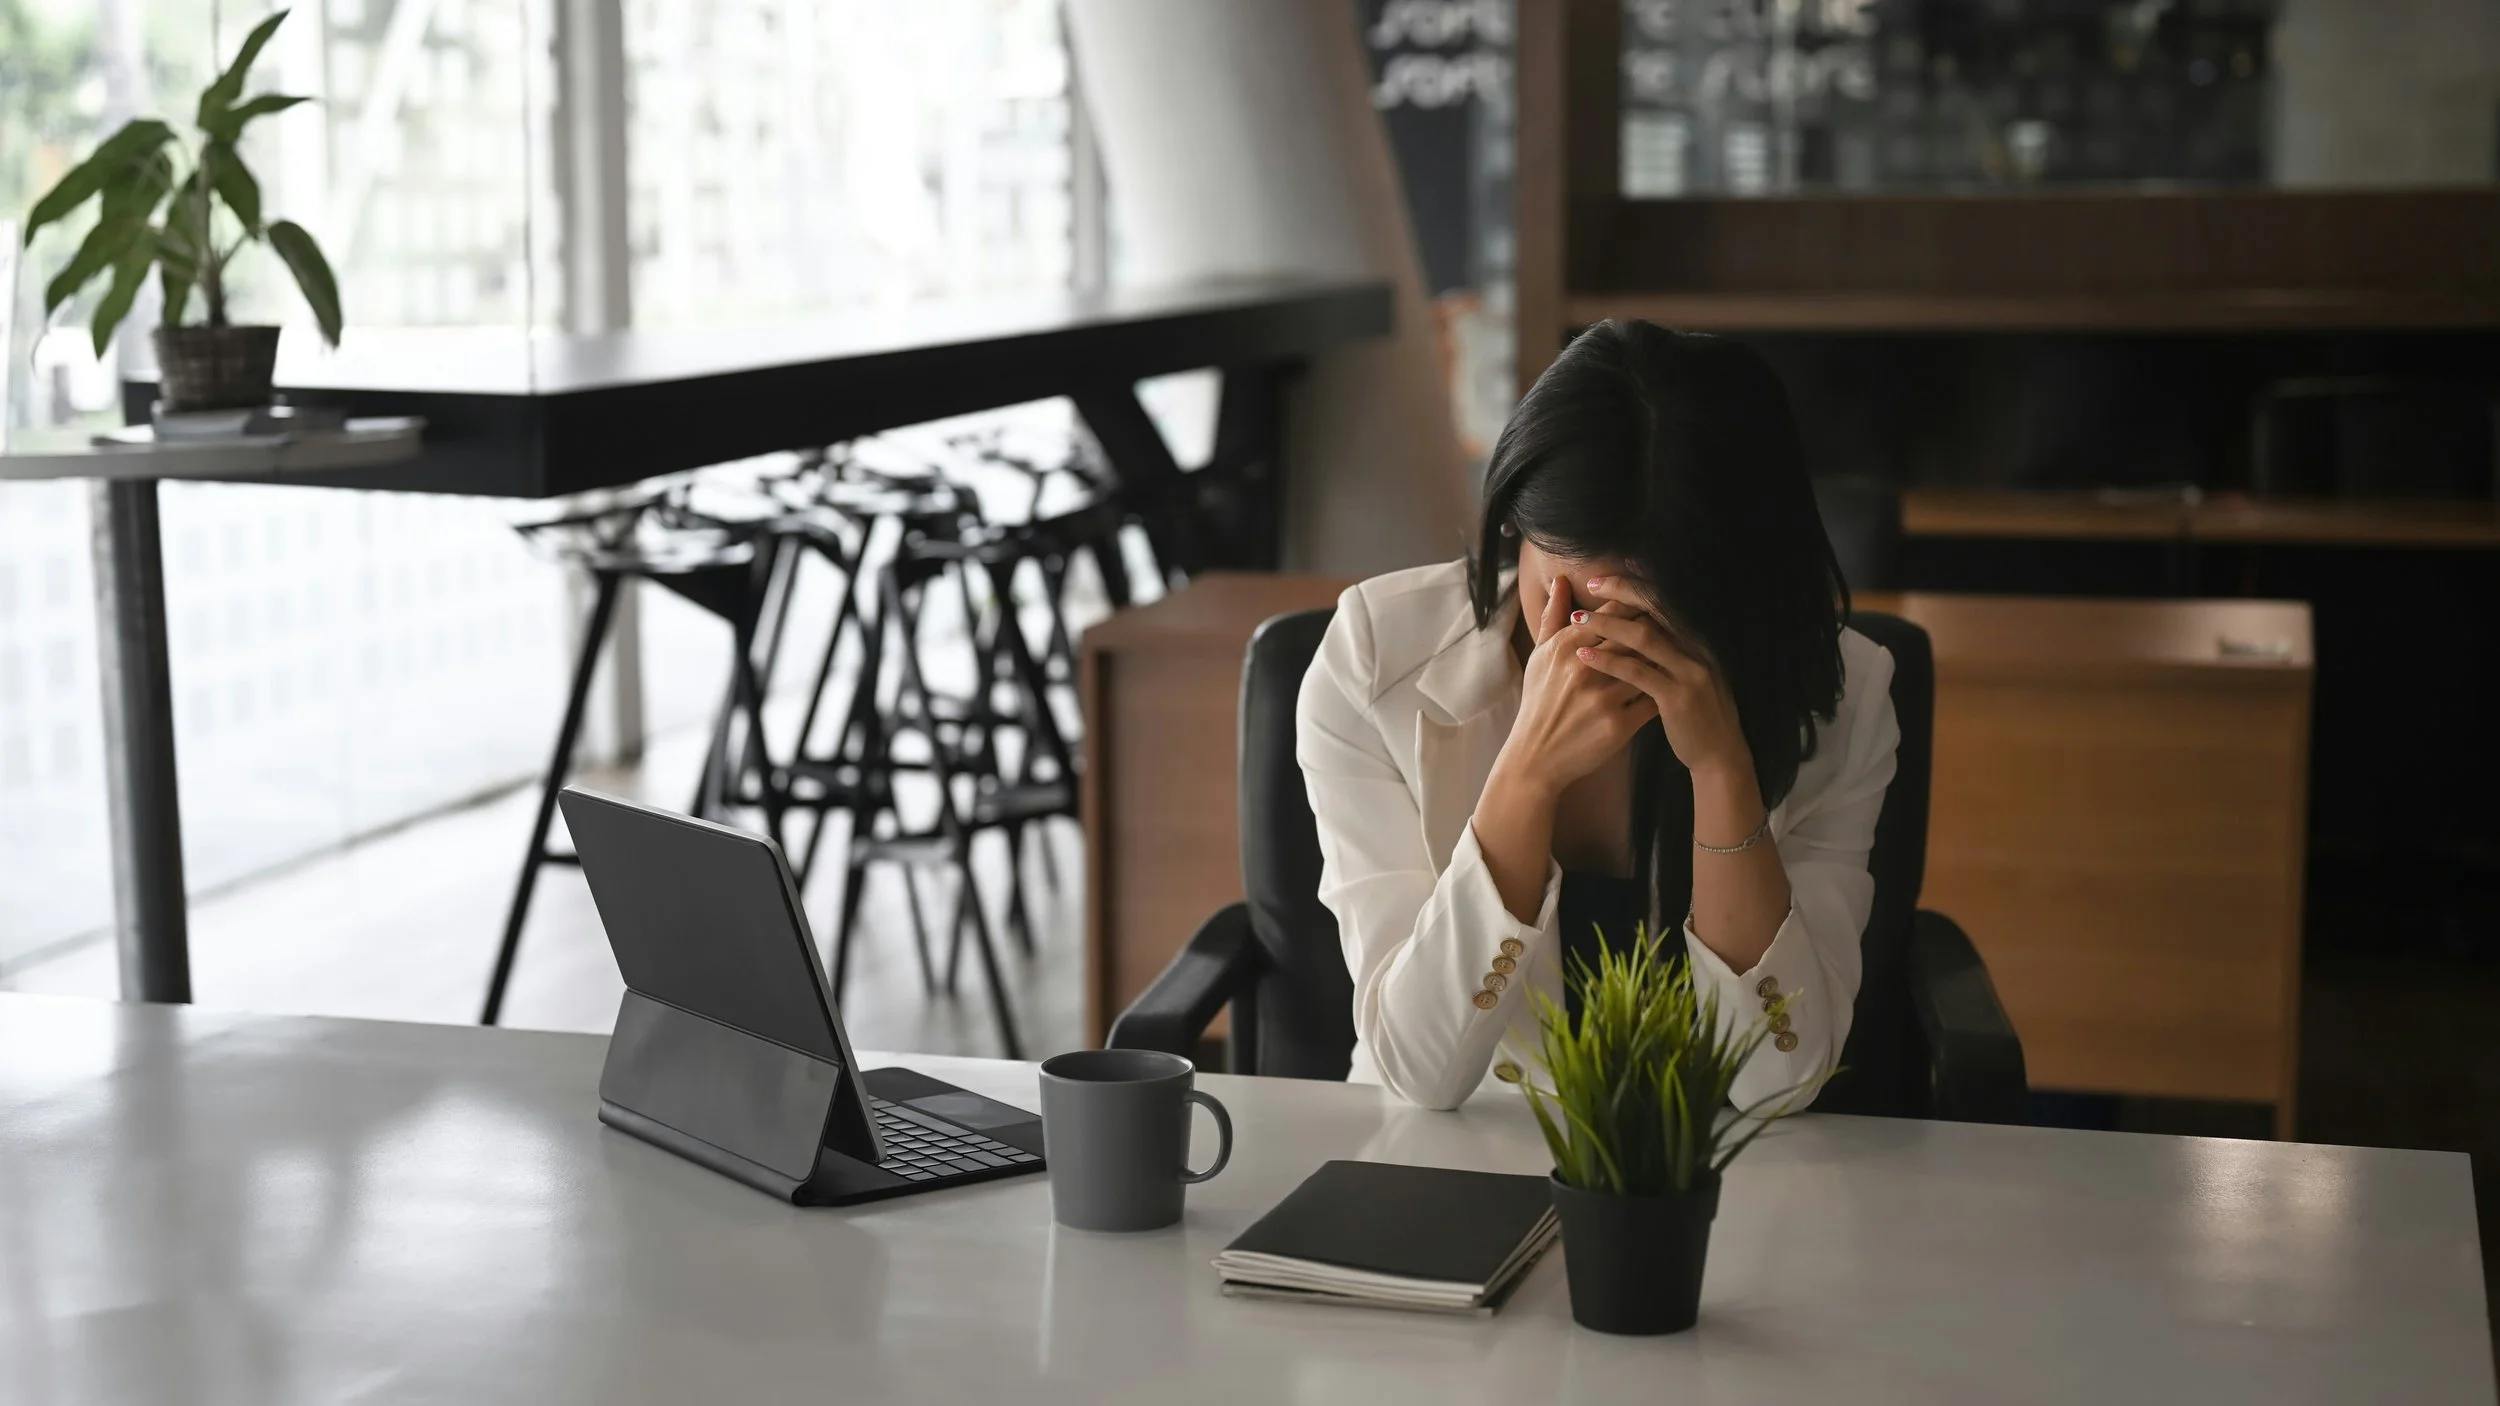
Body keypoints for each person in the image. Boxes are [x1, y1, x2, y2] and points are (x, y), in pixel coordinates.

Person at [1298, 321, 1900, 1111]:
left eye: (1665, 607)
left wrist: (1724, 771)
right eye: (1575, 592)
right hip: (1454, 1153)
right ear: (1517, 523)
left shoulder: (1842, 693)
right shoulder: (1378, 658)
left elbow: (1774, 1089)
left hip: (1709, 1166)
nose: (1612, 637)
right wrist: (1526, 775)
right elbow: (1419, 1071)